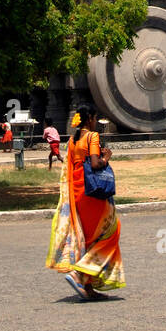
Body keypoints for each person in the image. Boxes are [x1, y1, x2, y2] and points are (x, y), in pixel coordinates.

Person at [46, 104, 124, 301]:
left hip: (78, 192)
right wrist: (106, 158)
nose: (96, 121)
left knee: (89, 238)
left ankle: (88, 288)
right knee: (111, 230)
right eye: (95, 118)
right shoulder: (92, 137)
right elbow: (96, 163)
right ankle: (79, 274)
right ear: (89, 118)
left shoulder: (73, 140)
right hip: (93, 193)